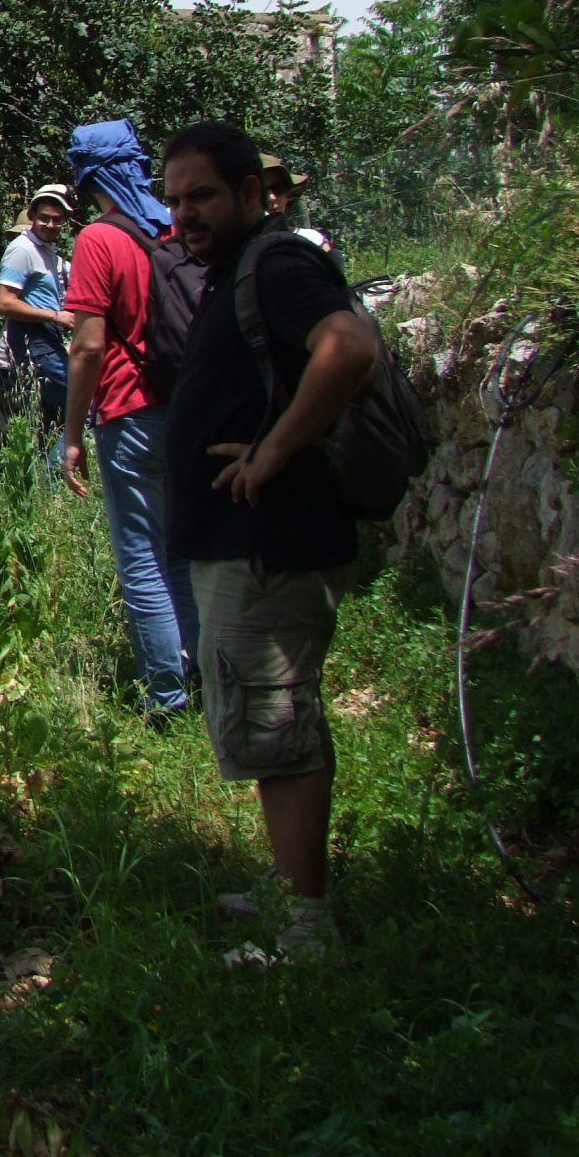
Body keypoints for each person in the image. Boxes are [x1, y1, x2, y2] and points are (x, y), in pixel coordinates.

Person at [161, 121, 379, 957]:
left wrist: (273, 451)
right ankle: (293, 892)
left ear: (254, 193)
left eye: (204, 196)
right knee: (264, 720)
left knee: (281, 727)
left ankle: (306, 928)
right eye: (176, 199)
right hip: (241, 540)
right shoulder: (237, 272)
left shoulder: (278, 263)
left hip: (270, 539)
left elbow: (349, 345)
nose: (186, 214)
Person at [58, 121, 199, 714]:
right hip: (190, 409)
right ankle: (206, 677)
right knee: (184, 555)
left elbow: (88, 345)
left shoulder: (98, 239)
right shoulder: (174, 228)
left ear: (87, 174)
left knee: (141, 558)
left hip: (129, 412)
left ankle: (167, 697)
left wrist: (71, 434)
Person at [0, 184, 75, 443]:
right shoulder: (23, 249)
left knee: (51, 422)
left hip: (49, 339)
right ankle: (52, 472)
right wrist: (56, 316)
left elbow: (5, 290)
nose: (51, 225)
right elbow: (7, 303)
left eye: (57, 220)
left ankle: (49, 475)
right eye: (45, 218)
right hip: (35, 342)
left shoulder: (47, 252)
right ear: (32, 216)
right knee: (78, 411)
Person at [261, 154, 334, 257]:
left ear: (288, 194)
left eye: (279, 188)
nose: (271, 197)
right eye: (261, 190)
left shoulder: (312, 240)